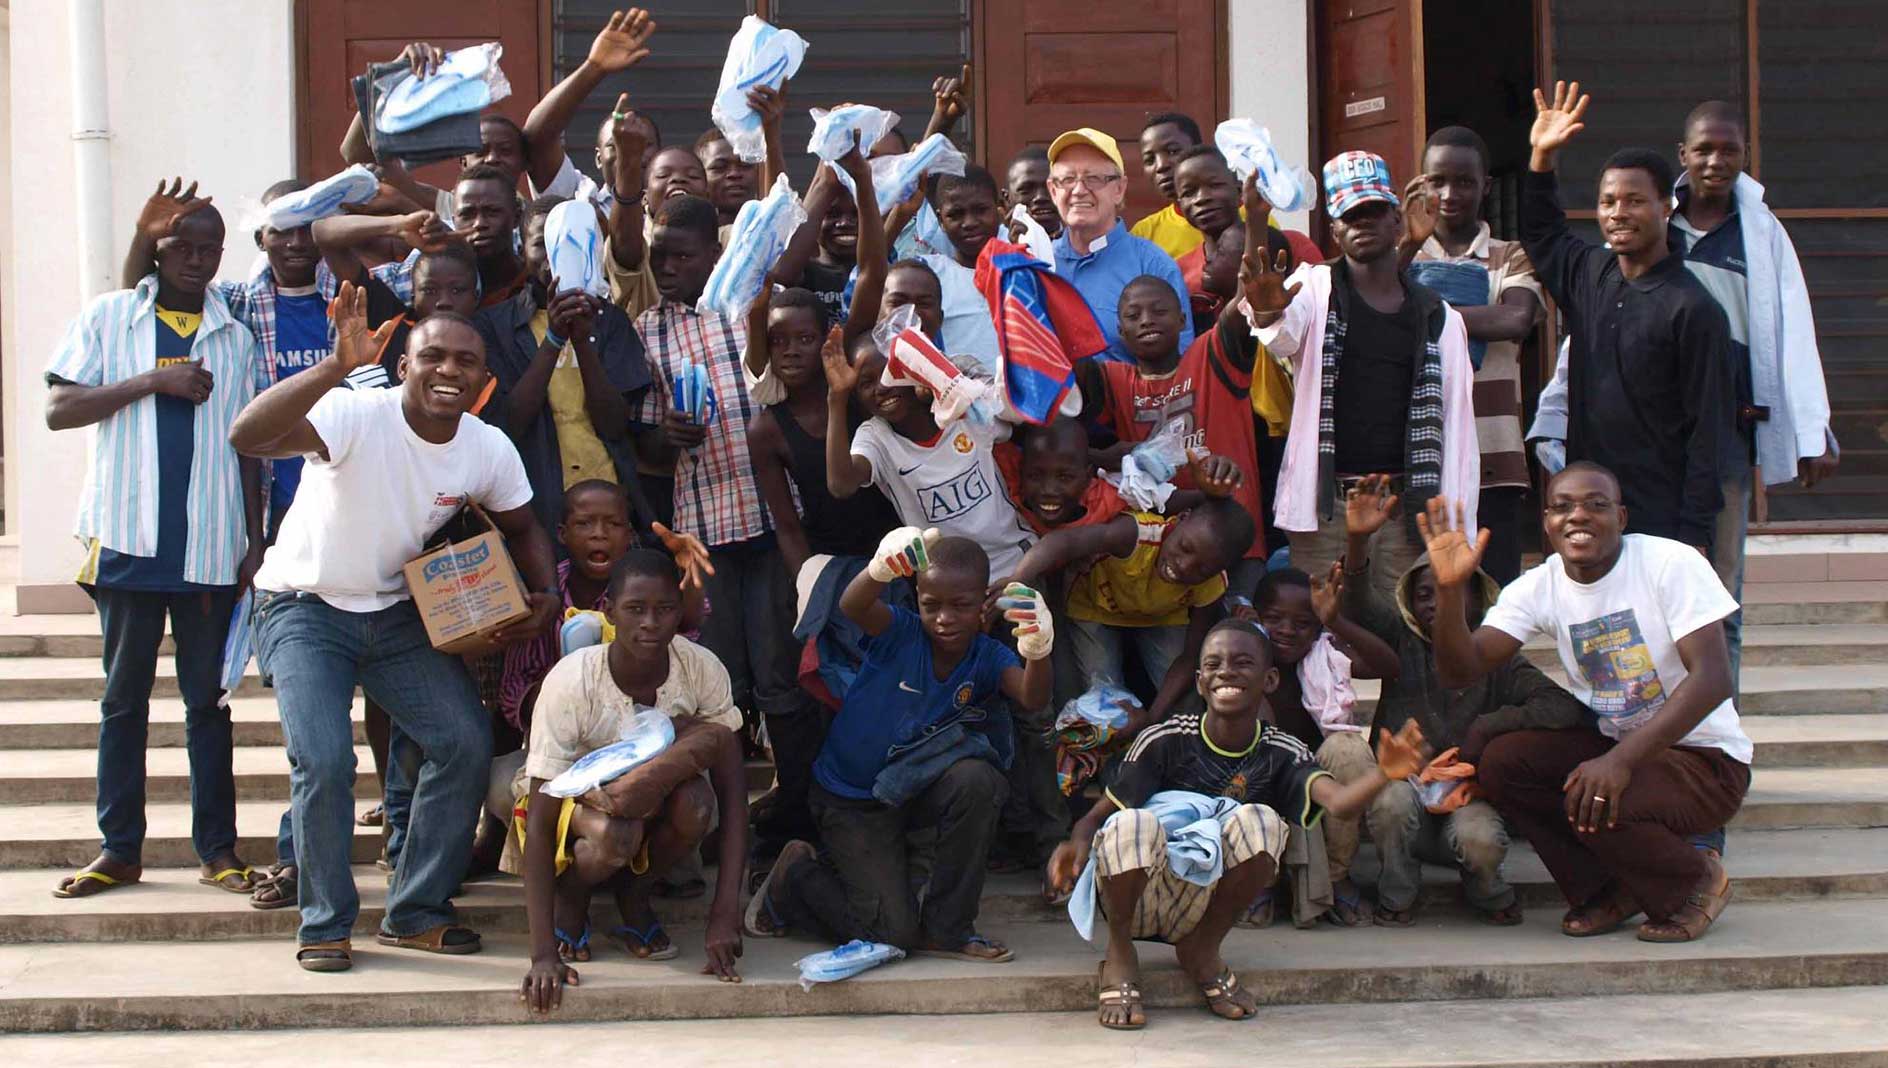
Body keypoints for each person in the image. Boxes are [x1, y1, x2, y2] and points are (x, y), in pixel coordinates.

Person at [230, 284, 560, 971]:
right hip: (303, 607)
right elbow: (247, 435)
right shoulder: (355, 413)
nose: (448, 370)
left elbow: (525, 524)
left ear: (483, 379)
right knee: (323, 761)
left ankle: (414, 912)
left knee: (463, 743)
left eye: (464, 361)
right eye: (431, 356)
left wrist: (544, 594)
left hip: (392, 612)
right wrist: (331, 367)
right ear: (403, 365)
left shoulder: (486, 447)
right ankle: (323, 923)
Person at [1421, 463, 1751, 942]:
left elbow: (1713, 680)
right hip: (1622, 750)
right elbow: (1460, 670)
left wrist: (1618, 760)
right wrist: (1450, 592)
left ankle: (1696, 880)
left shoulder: (1669, 563)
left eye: (1596, 505)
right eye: (1562, 506)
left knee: (1600, 795)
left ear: (1621, 516)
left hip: (1705, 760)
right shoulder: (1542, 585)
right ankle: (1606, 890)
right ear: (1547, 522)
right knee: (1505, 763)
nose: (1579, 516)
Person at [1046, 618, 1426, 1029]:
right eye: (1214, 664)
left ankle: (1202, 949)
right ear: (1200, 681)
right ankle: (1120, 954)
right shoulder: (1166, 738)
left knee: (1262, 822)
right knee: (1132, 823)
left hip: (1209, 900)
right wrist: (1076, 843)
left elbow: (1340, 806)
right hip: (1139, 891)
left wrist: (1385, 773)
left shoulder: (1282, 751)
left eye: (1242, 662)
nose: (1226, 671)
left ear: (1270, 679)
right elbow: (1098, 816)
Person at [44, 198, 264, 901]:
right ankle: (119, 849)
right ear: (159, 250)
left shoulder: (235, 336)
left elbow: (254, 446)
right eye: (184, 247)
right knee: (122, 703)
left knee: (208, 705)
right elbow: (58, 409)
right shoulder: (112, 317)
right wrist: (153, 381)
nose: (197, 260)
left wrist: (255, 544)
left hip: (210, 545)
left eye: (210, 249)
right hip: (128, 543)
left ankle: (218, 852)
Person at [748, 533, 1053, 961]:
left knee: (979, 781)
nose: (945, 618)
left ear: (983, 602)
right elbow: (852, 607)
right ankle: (796, 877)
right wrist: (879, 570)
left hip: (910, 791)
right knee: (892, 936)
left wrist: (1039, 649)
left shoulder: (987, 656)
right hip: (849, 799)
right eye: (932, 605)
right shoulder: (902, 631)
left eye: (961, 605)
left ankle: (949, 929)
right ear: (917, 599)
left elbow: (1032, 698)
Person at [1338, 475, 1587, 925]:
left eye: (1448, 590)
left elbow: (1562, 707)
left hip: (1467, 800)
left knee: (1481, 840)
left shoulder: (1497, 659)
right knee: (1390, 803)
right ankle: (1398, 895)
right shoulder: (1402, 639)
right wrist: (1358, 541)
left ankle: (1487, 892)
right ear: (1410, 604)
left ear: (1475, 598)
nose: (1433, 602)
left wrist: (1487, 729)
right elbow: (1357, 603)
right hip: (1405, 795)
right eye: (1423, 593)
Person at [517, 549, 750, 1013]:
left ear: (681, 612)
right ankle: (575, 898)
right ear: (609, 612)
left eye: (665, 610)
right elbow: (541, 823)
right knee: (615, 835)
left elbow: (735, 797)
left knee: (698, 804)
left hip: (656, 799)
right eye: (635, 609)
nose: (650, 623)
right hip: (580, 806)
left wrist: (726, 914)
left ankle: (635, 895)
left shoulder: (699, 668)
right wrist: (541, 953)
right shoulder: (573, 681)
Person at [1246, 150, 1479, 596]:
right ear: (1334, 230)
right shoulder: (1312, 290)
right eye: (1351, 216)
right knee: (1321, 635)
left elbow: (1459, 432)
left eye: (1373, 212)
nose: (1363, 224)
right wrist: (1258, 240)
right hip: (1328, 506)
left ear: (1397, 221)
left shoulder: (1439, 317)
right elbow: (1276, 333)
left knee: (1404, 632)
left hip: (1407, 506)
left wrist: (1455, 525)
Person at [1519, 82, 1735, 551]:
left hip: (1661, 520)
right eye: (1608, 202)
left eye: (1634, 201)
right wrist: (1541, 157)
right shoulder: (1589, 273)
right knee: (1595, 626)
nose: (1618, 213)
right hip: (1589, 516)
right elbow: (1540, 231)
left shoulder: (1694, 309)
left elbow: (1709, 435)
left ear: (1666, 207)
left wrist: (1694, 534)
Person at [1672, 100, 1839, 687]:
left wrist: (1812, 428)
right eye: (1704, 149)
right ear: (1683, 155)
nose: (1716, 160)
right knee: (1653, 596)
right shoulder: (1655, 227)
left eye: (1729, 149)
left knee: (1720, 601)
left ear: (1745, 156)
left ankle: (1720, 748)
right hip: (1654, 437)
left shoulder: (1761, 233)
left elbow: (1792, 332)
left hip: (1725, 441)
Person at [824, 151, 1037, 580]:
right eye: (898, 304)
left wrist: (952, 390)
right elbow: (871, 267)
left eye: (926, 304)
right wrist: (838, 397)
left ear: (943, 312)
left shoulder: (961, 373)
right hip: (943, 579)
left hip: (1013, 561)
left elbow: (1014, 413)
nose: (913, 315)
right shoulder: (873, 408)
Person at [632, 194, 794, 755]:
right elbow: (648, 436)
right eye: (660, 258)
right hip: (702, 523)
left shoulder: (745, 305)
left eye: (683, 257)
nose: (669, 269)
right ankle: (730, 802)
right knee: (720, 662)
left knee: (778, 657)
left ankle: (793, 800)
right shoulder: (648, 329)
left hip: (772, 511)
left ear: (713, 252)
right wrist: (668, 433)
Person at [1080, 174, 1282, 598]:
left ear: (1183, 319)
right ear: (1120, 329)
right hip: (1163, 547)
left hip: (1232, 544)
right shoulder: (1111, 378)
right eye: (1133, 316)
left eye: (1159, 311)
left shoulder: (1213, 357)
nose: (1147, 320)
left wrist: (1258, 218)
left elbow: (1248, 297)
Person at [1398, 127, 1545, 586]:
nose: (1449, 193)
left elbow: (1514, 321)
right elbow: (1368, 312)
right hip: (1413, 456)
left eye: (1464, 181)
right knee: (1417, 596)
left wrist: (1419, 310)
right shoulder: (1397, 258)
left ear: (1486, 186)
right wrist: (1403, 248)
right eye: (1437, 180)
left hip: (1493, 456)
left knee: (1493, 595)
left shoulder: (1512, 256)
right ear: (1420, 184)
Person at [479, 194, 654, 539]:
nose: (553, 258)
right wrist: (555, 339)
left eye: (571, 244)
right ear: (522, 252)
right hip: (533, 498)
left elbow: (616, 424)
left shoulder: (611, 322)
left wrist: (583, 342)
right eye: (542, 244)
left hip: (604, 493)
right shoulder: (495, 326)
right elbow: (509, 421)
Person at [1009, 488, 1253, 727]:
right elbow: (1064, 542)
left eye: (1201, 570)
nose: (1184, 566)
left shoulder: (1213, 583)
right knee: (1101, 701)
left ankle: (1178, 751)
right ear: (1180, 519)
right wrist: (1018, 582)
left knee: (1186, 701)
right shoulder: (1138, 534)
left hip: (1163, 617)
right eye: (1185, 547)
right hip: (1094, 609)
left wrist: (1152, 717)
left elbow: (1189, 657)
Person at [1249, 563, 1399, 925]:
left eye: (1302, 623)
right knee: (1253, 745)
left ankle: (1335, 873)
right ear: (1255, 617)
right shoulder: (1243, 655)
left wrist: (1338, 622)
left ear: (1317, 628)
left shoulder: (1324, 656)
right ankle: (1257, 880)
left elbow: (1388, 665)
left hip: (1317, 784)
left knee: (1348, 748)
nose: (1286, 631)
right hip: (1260, 784)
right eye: (1274, 619)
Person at [1048, 128, 1193, 362]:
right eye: (1067, 179)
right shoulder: (1039, 263)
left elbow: (1181, 365)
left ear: (1119, 189)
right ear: (1053, 191)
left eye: (1093, 178)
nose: (1079, 190)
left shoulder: (1153, 265)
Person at [1128, 112, 1208, 259]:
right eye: (1150, 159)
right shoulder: (1144, 234)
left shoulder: (1253, 218)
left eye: (1172, 151)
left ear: (1198, 151)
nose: (1161, 166)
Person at [1004, 146, 1063, 240]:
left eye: (1051, 187)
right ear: (1007, 199)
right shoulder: (993, 251)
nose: (1040, 197)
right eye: (1026, 190)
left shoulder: (1085, 246)